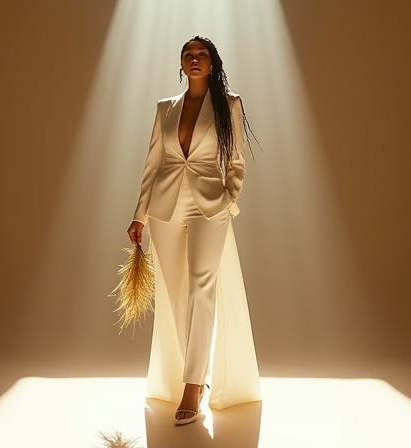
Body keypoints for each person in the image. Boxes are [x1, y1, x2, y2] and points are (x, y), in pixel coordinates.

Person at [127, 36, 261, 426]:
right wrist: (141, 215)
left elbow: (236, 163)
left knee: (202, 287)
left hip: (209, 204)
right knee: (175, 294)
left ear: (213, 63)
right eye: (189, 54)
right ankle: (189, 373)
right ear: (181, 64)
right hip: (165, 207)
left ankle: (193, 387)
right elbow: (153, 164)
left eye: (202, 54)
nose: (195, 59)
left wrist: (228, 200)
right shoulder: (165, 108)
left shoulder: (228, 105)